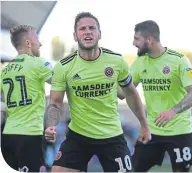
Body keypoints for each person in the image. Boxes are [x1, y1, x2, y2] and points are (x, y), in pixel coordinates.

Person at [44, 12, 151, 172]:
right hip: (78, 136)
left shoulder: (116, 61)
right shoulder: (63, 66)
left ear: (99, 34)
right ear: (75, 35)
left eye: (92, 28)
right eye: (82, 29)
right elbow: (55, 102)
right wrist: (51, 125)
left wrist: (144, 125)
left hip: (112, 136)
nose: (87, 31)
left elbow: (130, 93)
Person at [130, 20, 192, 172]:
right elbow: (124, 91)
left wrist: (173, 111)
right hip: (151, 131)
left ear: (149, 40)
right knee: (132, 169)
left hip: (180, 131)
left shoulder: (179, 60)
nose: (133, 43)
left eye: (136, 39)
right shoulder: (140, 62)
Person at [1, 25, 52, 172]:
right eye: (37, 39)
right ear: (28, 43)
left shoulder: (6, 69)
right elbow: (62, 82)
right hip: (29, 135)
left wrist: (4, 107)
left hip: (7, 136)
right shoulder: (38, 63)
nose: (40, 43)